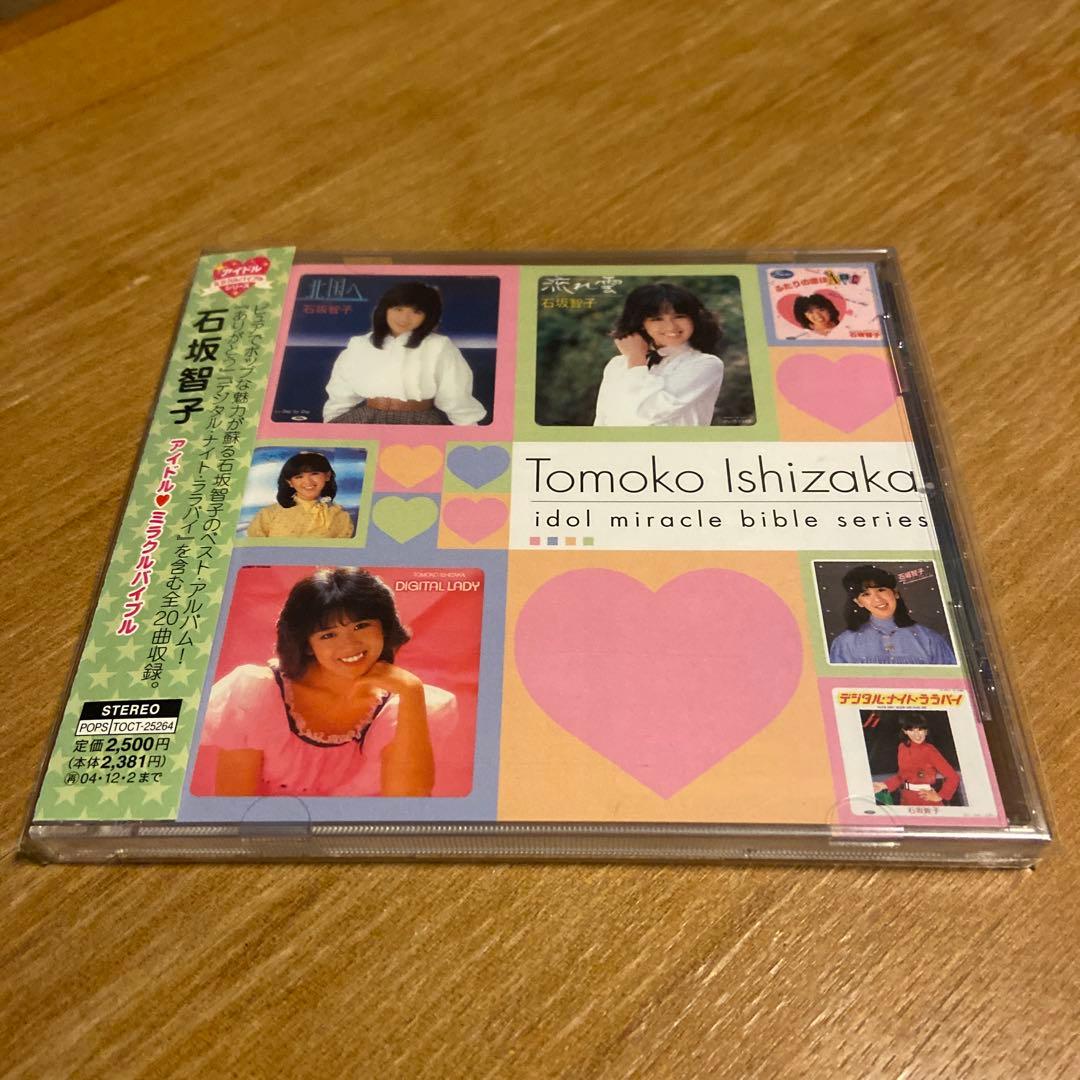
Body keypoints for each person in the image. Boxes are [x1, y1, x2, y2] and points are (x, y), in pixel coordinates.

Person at [194, 568, 456, 797]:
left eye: (361, 626)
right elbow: (232, 804)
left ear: (384, 628)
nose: (349, 645)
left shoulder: (399, 707)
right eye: (328, 635)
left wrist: (411, 690)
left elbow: (408, 805)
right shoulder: (257, 693)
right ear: (307, 645)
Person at [323, 281, 486, 425]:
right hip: (367, 417)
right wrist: (330, 423)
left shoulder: (439, 346)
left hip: (419, 420)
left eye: (416, 312)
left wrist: (469, 429)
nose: (404, 318)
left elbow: (454, 394)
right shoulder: (360, 344)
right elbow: (341, 391)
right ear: (385, 309)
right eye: (398, 309)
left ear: (428, 316)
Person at [593, 283, 725, 426]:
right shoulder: (617, 365)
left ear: (694, 319)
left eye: (679, 316)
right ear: (641, 323)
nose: (671, 326)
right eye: (657, 319)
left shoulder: (705, 364)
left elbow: (650, 411)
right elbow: (602, 420)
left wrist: (636, 360)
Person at [828, 565, 957, 665]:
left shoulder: (929, 639)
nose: (877, 599)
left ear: (895, 593)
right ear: (858, 602)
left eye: (881, 590)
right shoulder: (845, 643)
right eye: (866, 594)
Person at [246, 452, 354, 539]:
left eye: (314, 474)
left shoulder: (340, 516)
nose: (308, 482)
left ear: (327, 476)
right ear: (290, 482)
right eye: (299, 477)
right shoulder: (268, 514)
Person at [873, 713, 960, 806]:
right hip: (906, 798)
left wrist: (940, 796)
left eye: (920, 730)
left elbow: (953, 777)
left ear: (926, 731)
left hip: (925, 800)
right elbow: (902, 776)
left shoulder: (929, 750)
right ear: (905, 731)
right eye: (911, 730)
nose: (917, 735)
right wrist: (884, 785)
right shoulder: (902, 747)